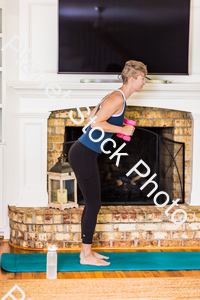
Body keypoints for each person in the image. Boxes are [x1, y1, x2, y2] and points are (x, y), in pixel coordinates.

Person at [68, 60, 147, 266]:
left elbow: (91, 117)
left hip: (85, 152)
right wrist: (121, 130)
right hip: (84, 153)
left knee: (93, 203)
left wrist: (119, 125)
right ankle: (85, 256)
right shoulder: (117, 98)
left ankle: (88, 253)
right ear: (132, 79)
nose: (144, 83)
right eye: (142, 79)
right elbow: (95, 123)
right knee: (94, 204)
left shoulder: (116, 96)